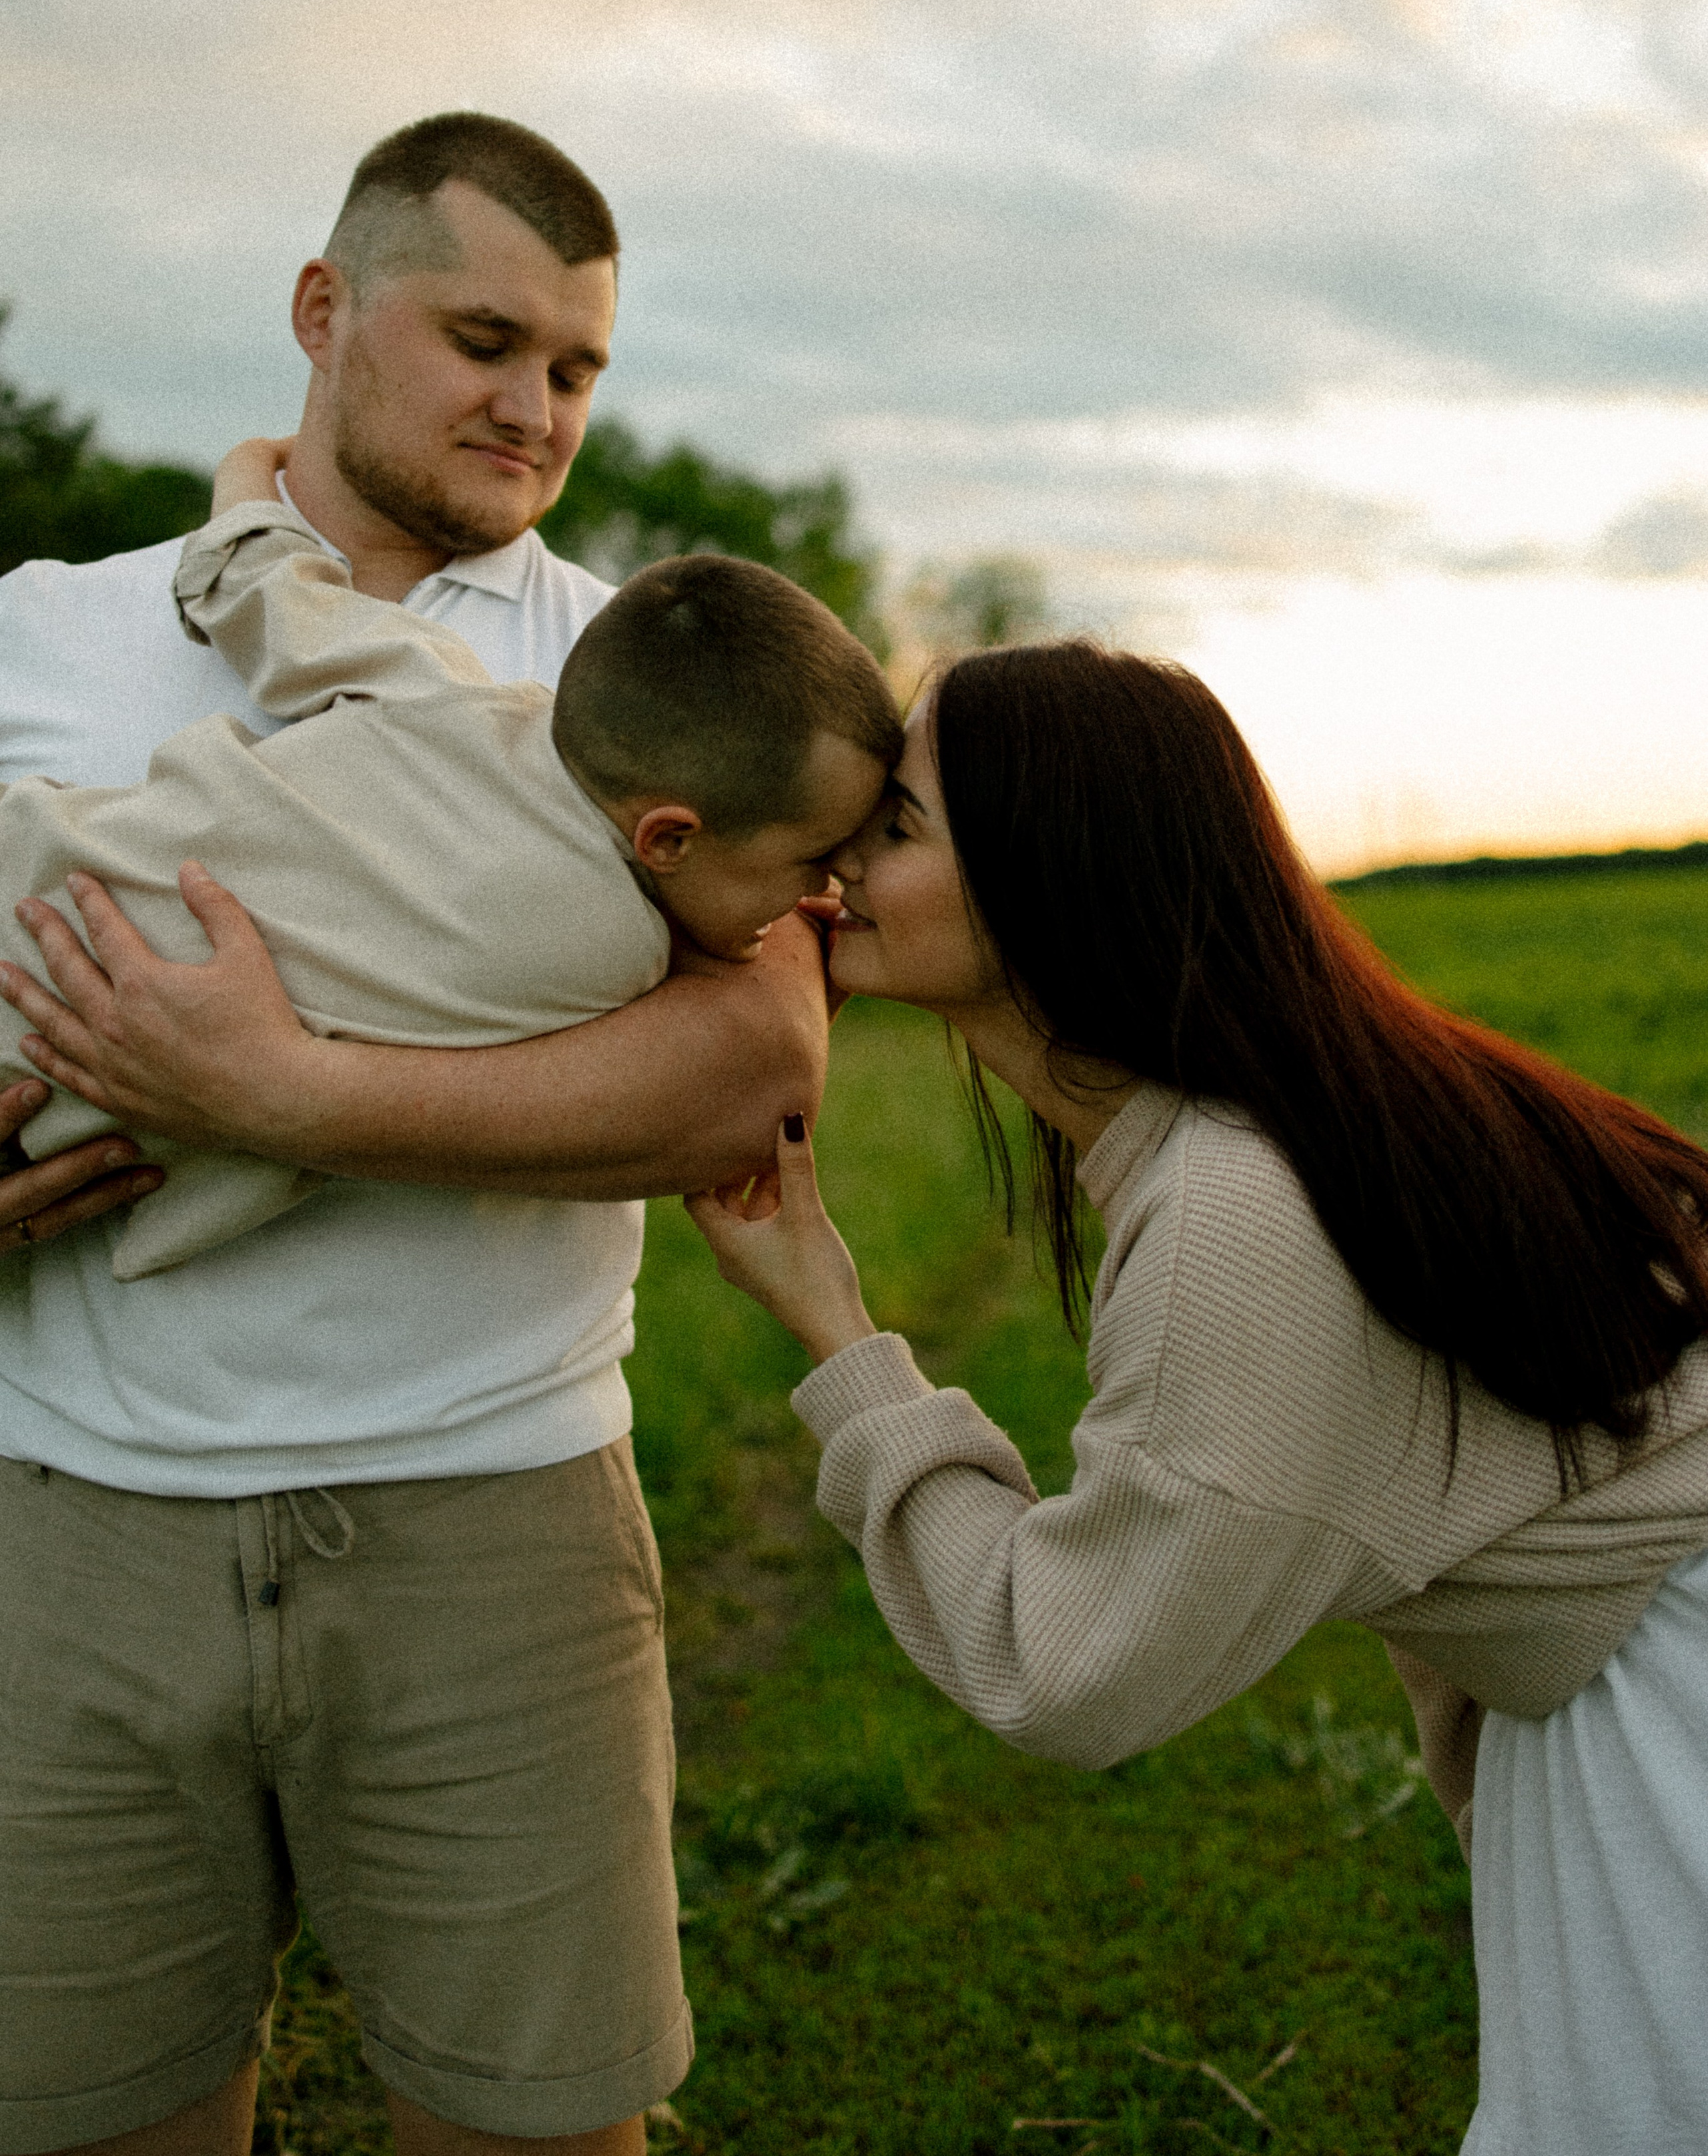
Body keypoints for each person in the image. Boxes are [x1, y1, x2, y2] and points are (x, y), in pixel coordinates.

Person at [0, 113, 835, 2156]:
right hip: (70, 1533)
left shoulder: (637, 668)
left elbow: (758, 1068)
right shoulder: (41, 625)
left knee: (537, 2133)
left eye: (577, 368)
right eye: (487, 340)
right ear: (322, 308)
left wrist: (288, 1099)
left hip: (496, 1521)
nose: (535, 407)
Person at [674, 643, 1708, 2156]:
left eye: (892, 828)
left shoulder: (1237, 1207)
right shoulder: (1268, 1121)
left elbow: (1070, 1668)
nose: (837, 866)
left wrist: (840, 1343)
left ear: (1052, 875)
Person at [5, 445, 897, 1279]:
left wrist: (247, 477)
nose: (821, 891)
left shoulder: (444, 687)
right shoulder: (617, 958)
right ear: (667, 839)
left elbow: (268, 591)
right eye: (813, 861)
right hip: (47, 1068)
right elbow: (741, 1056)